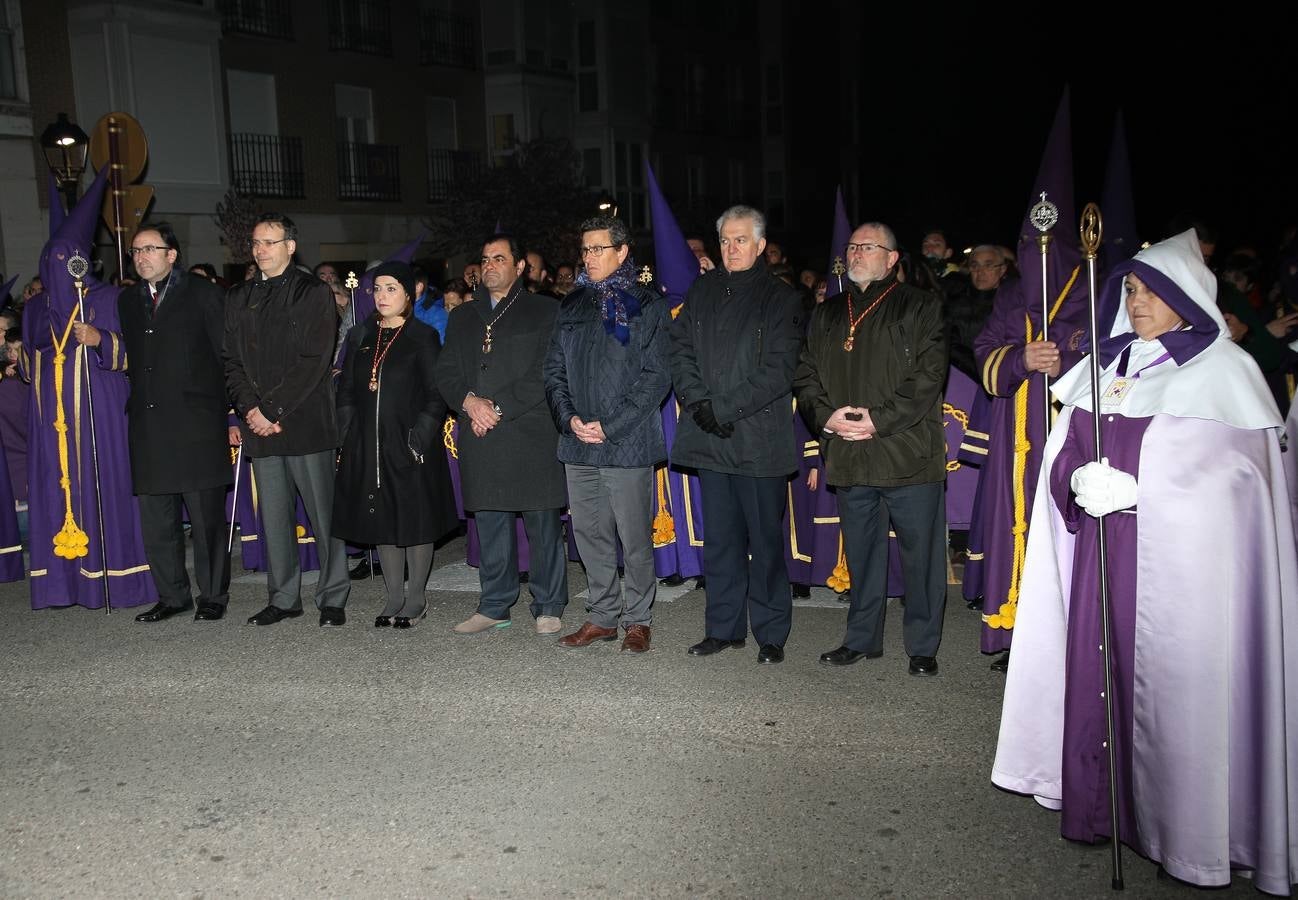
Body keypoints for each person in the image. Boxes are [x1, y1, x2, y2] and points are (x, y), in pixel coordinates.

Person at [993, 230, 1298, 893]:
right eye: (1130, 289)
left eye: (1152, 291)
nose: (1137, 302)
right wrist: (1075, 480)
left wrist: (1143, 493)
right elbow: (1066, 448)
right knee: (1099, 675)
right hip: (1099, 559)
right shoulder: (1109, 365)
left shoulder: (1226, 373)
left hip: (1184, 579)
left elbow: (1236, 486)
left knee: (1179, 700)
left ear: (1188, 298)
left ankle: (1184, 835)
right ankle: (1101, 808)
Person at [794, 223, 949, 676]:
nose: (857, 254)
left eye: (868, 247)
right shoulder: (828, 311)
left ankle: (922, 646)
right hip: (849, 453)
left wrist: (876, 419)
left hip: (908, 455)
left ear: (892, 258)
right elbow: (804, 374)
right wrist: (826, 417)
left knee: (920, 559)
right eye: (852, 247)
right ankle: (862, 639)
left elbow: (928, 377)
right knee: (862, 556)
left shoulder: (921, 306)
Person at [669, 205, 803, 664]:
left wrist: (721, 408)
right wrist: (698, 402)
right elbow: (680, 348)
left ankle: (771, 633)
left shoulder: (782, 299)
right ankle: (723, 628)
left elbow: (779, 371)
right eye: (725, 240)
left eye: (741, 240)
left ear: (761, 245)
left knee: (764, 543)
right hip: (711, 439)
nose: (731, 248)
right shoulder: (702, 290)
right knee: (721, 542)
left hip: (758, 442)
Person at [22, 169, 155, 609]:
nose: (55, 267)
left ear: (80, 261)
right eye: (49, 259)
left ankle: (118, 579)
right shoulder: (35, 310)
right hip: (52, 424)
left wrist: (103, 340)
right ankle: (63, 584)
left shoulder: (110, 300)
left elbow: (141, 355)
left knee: (105, 490)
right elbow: (29, 365)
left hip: (101, 418)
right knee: (57, 490)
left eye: (63, 258)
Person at [543, 215, 671, 653]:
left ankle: (638, 620)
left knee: (633, 538)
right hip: (578, 441)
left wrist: (611, 425)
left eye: (598, 248)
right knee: (589, 534)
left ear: (622, 252)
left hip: (627, 441)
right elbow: (554, 370)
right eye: (585, 249)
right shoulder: (572, 303)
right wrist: (569, 419)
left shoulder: (647, 304)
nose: (589, 257)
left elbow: (657, 375)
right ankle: (602, 616)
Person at [436, 233, 569, 636]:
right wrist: (469, 402)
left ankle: (548, 604)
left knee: (542, 523)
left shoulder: (545, 310)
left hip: (529, 432)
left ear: (520, 266)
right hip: (480, 432)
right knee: (491, 522)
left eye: (499, 258)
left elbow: (546, 371)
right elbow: (446, 371)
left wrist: (495, 408)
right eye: (485, 259)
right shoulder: (463, 316)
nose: (489, 266)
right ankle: (494, 604)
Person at [224, 212, 351, 626]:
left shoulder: (313, 292)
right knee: (274, 518)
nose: (260, 250)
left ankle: (332, 596)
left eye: (269, 242)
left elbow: (314, 359)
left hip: (305, 423)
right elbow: (231, 360)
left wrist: (270, 410)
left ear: (290, 246)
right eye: (256, 243)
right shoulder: (239, 296)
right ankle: (283, 597)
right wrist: (249, 409)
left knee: (323, 514)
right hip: (260, 426)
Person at [103, 223, 233, 623]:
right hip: (149, 423)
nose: (141, 257)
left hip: (196, 422)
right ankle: (172, 595)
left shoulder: (204, 294)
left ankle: (213, 594)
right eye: (136, 251)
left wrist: (232, 412)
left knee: (206, 518)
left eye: (150, 249)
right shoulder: (128, 300)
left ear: (171, 255)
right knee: (157, 519)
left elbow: (227, 355)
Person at [334, 261, 457, 628]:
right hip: (368, 443)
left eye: (391, 289)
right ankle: (393, 596)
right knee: (382, 517)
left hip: (410, 443)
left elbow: (436, 394)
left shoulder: (422, 336)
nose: (382, 296)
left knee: (414, 518)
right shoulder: (360, 335)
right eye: (377, 289)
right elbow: (346, 391)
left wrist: (419, 437)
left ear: (407, 294)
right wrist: (347, 433)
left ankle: (416, 597)